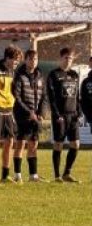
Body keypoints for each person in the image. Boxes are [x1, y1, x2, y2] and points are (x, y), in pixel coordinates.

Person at [0, 45, 21, 183]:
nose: (16, 64)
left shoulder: (13, 72)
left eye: (18, 62)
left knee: (10, 142)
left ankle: (5, 174)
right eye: (15, 61)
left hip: (9, 109)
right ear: (7, 58)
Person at [11, 48, 47, 183]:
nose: (33, 61)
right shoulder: (19, 76)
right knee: (20, 144)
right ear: (25, 60)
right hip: (22, 116)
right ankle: (17, 175)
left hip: (35, 117)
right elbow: (17, 97)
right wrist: (29, 112)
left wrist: (41, 113)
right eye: (31, 59)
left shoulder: (40, 75)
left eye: (36, 59)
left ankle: (33, 175)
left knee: (33, 144)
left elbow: (44, 96)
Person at [47, 46, 82, 182]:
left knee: (76, 144)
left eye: (70, 58)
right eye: (66, 58)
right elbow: (51, 97)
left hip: (73, 115)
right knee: (58, 144)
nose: (68, 60)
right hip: (60, 116)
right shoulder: (54, 75)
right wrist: (56, 114)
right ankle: (57, 176)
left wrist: (78, 113)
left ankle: (67, 173)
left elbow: (77, 96)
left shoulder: (74, 75)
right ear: (60, 59)